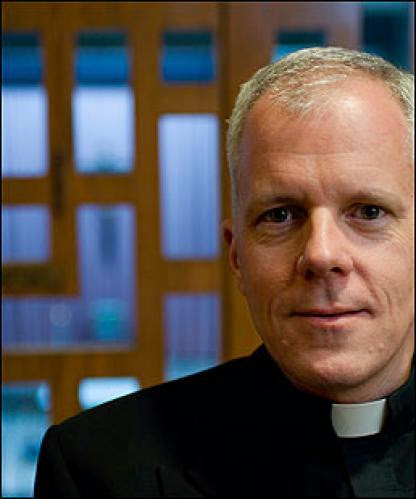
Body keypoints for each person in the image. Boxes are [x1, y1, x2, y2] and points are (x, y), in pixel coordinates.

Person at [35, 47, 414, 498]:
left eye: (368, 211)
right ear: (237, 257)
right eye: (280, 215)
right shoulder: (97, 471)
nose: (321, 254)